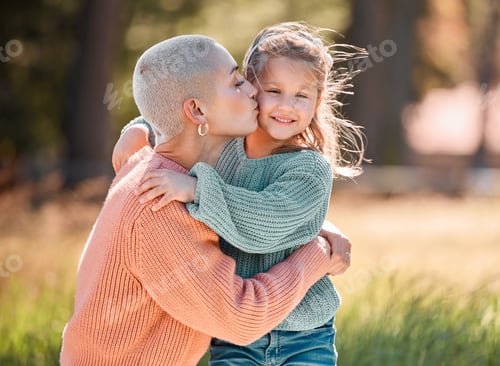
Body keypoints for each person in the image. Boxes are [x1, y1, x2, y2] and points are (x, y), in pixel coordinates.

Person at [60, 34, 351, 366]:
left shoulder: (163, 170)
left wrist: (317, 224)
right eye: (237, 82)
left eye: (301, 95)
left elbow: (274, 208)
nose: (253, 91)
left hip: (303, 336)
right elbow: (243, 317)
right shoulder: (160, 198)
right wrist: (319, 253)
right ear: (198, 111)